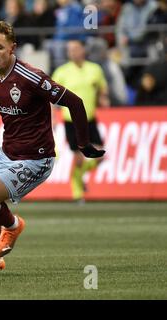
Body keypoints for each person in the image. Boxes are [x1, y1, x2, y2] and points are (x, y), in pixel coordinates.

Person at [0, 21, 105, 271]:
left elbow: (76, 103)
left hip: (36, 159)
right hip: (7, 154)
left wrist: (83, 143)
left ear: (12, 48)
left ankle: (13, 226)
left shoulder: (31, 77)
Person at [52, 40, 110, 202]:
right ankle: (77, 192)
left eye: (76, 49)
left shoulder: (95, 69)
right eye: (70, 50)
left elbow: (102, 87)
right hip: (71, 121)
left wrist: (103, 98)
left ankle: (78, 177)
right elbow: (50, 97)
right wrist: (53, 116)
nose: (73, 52)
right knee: (78, 158)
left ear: (83, 50)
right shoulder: (62, 72)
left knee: (99, 156)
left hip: (90, 119)